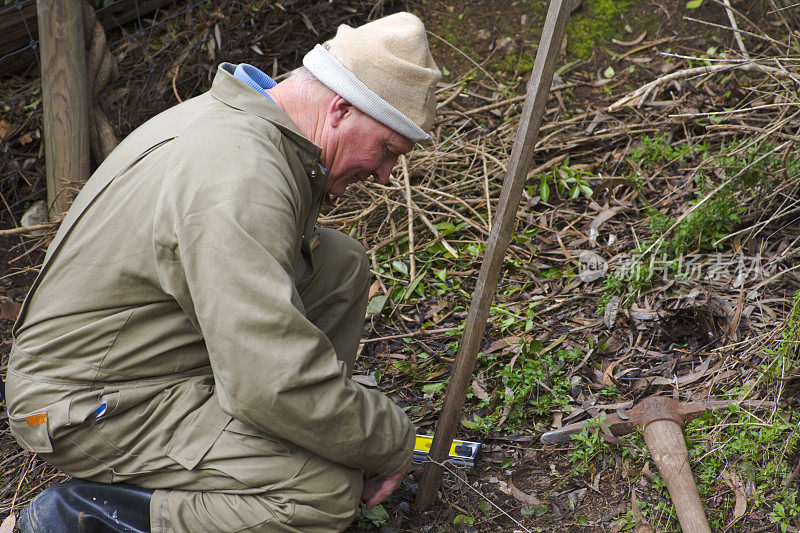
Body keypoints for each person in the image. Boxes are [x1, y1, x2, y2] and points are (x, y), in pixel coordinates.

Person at [6, 11, 440, 532]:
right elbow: (269, 381)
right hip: (85, 403)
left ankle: (295, 433)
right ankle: (81, 520)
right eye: (387, 150)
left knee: (339, 266)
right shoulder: (241, 179)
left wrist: (341, 428)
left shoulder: (251, 124)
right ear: (341, 108)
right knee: (321, 493)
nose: (387, 174)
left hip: (135, 354)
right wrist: (389, 441)